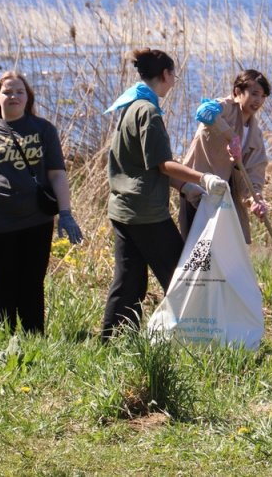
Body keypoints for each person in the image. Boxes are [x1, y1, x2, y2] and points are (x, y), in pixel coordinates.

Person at [100, 48, 229, 340]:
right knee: (180, 277)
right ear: (164, 75)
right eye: (174, 75)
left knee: (129, 281)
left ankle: (112, 341)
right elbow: (163, 163)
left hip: (122, 208)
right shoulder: (148, 111)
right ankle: (193, 337)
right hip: (146, 213)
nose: (174, 82)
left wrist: (185, 187)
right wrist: (203, 177)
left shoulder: (131, 105)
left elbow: (145, 166)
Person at [0, 71, 83, 335]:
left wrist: (65, 213)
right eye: (7, 92)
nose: (14, 96)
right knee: (2, 279)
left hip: (37, 218)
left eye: (19, 92)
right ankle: (3, 336)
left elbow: (56, 174)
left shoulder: (43, 129)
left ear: (27, 97)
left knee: (32, 280)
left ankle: (34, 336)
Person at [178, 69, 271, 244]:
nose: (258, 101)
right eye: (254, 94)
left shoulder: (255, 134)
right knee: (192, 251)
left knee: (217, 251)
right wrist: (231, 136)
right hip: (195, 187)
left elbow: (253, 172)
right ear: (237, 92)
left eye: (263, 96)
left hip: (221, 193)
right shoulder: (225, 107)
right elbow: (204, 112)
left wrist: (254, 199)